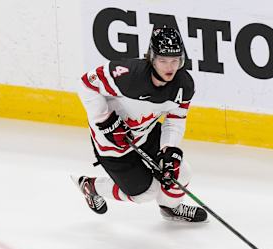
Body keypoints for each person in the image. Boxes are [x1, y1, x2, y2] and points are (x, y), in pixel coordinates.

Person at [73, 27, 207, 223]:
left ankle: (171, 209)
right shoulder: (128, 76)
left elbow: (175, 120)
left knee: (180, 170)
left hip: (145, 133)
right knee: (146, 192)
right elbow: (86, 84)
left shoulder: (183, 85)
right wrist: (105, 120)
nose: (169, 67)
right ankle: (91, 186)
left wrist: (168, 149)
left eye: (175, 60)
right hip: (113, 144)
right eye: (163, 60)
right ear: (152, 58)